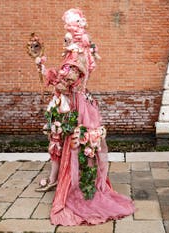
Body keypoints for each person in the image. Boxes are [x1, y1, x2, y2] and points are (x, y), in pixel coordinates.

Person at [35, 8, 135, 225]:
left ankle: (76, 188)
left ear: (74, 31)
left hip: (75, 105)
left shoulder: (77, 55)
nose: (65, 36)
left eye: (67, 31)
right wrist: (43, 67)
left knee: (75, 145)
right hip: (81, 102)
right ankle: (58, 179)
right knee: (63, 143)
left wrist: (46, 71)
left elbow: (65, 82)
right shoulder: (82, 52)